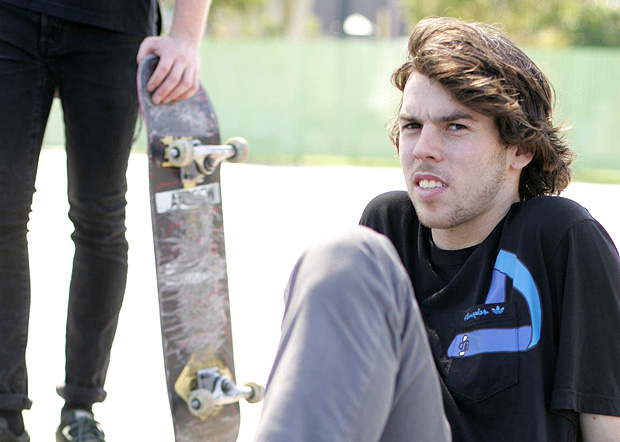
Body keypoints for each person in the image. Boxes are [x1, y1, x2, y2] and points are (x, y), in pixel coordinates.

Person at [253, 17, 620, 442]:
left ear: (520, 147)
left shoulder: (559, 237)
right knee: (341, 256)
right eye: (412, 126)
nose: (423, 149)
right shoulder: (388, 231)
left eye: (455, 127)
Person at [0, 0, 212, 441]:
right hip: (10, 15)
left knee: (100, 217)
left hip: (113, 23)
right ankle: (4, 413)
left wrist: (186, 35)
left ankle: (81, 407)